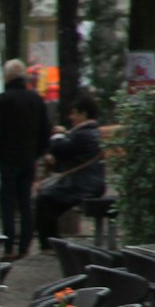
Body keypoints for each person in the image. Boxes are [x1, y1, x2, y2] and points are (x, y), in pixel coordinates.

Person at [0, 58, 54, 260]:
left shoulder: (2, 100)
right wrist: (37, 152)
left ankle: (9, 245)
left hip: (6, 158)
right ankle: (25, 246)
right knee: (26, 202)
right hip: (28, 157)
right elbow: (45, 130)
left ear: (7, 77)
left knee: (8, 203)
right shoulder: (35, 99)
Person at [33, 91, 109, 246]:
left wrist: (57, 135)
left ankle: (49, 243)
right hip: (91, 182)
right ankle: (52, 240)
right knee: (48, 198)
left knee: (45, 199)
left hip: (83, 184)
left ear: (84, 114)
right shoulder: (92, 132)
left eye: (74, 113)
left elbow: (60, 148)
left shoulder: (83, 134)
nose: (71, 117)